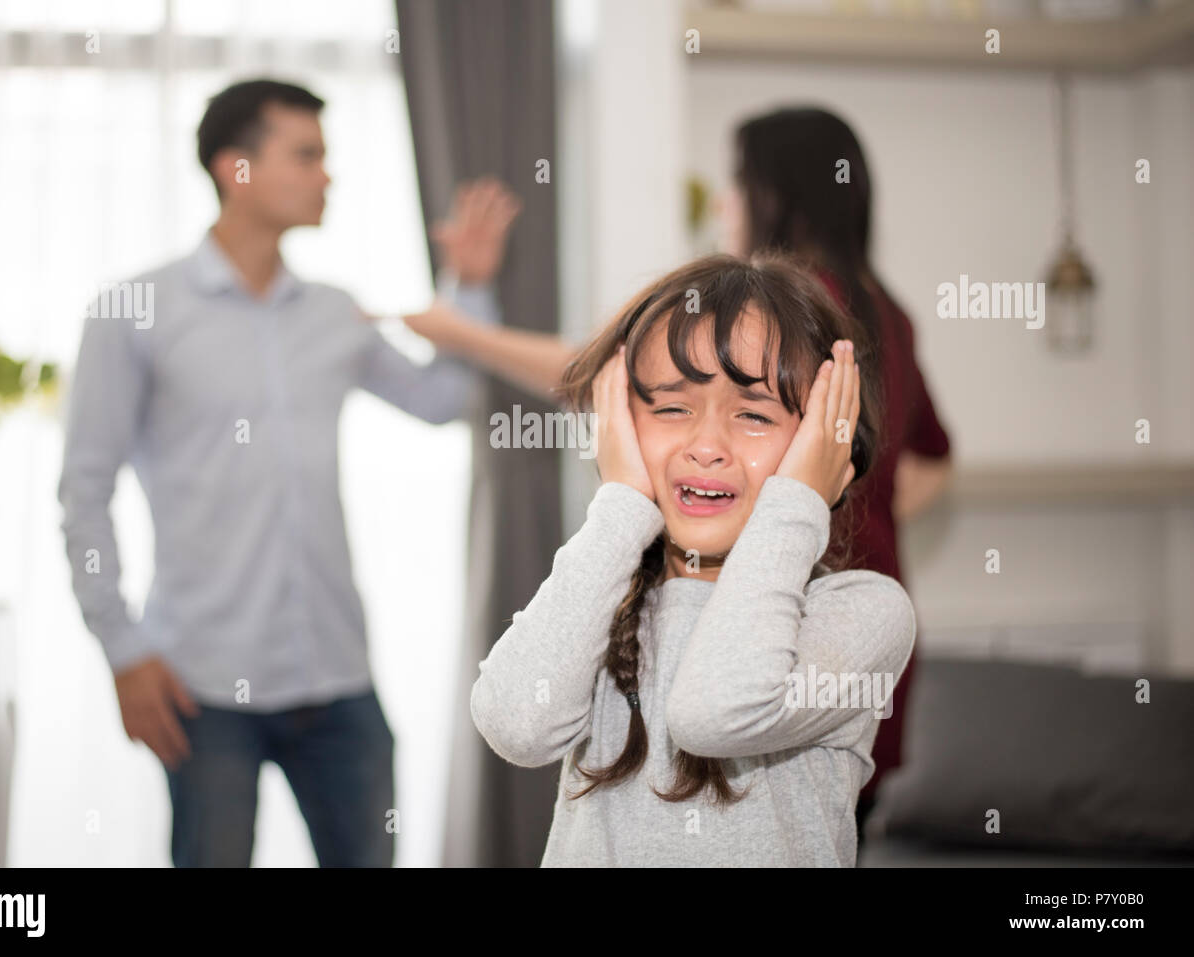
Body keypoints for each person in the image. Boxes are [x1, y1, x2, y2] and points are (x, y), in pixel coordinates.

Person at [57, 78, 519, 867]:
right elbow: (84, 493)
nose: (327, 175)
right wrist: (123, 648)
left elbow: (441, 400)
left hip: (338, 679)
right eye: (307, 155)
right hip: (201, 685)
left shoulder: (334, 311)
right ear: (235, 169)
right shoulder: (133, 310)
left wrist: (469, 287)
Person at [469, 253, 916, 866]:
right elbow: (516, 723)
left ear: (826, 450)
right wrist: (621, 504)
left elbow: (717, 712)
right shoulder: (598, 601)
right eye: (671, 408)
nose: (706, 446)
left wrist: (799, 500)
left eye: (755, 415)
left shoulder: (862, 613)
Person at [719, 107, 953, 839]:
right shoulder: (890, 311)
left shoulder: (779, 309)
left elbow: (621, 373)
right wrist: (858, 508)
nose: (726, 203)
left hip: (792, 625)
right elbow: (932, 460)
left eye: (737, 183)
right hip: (873, 623)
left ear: (773, 196)